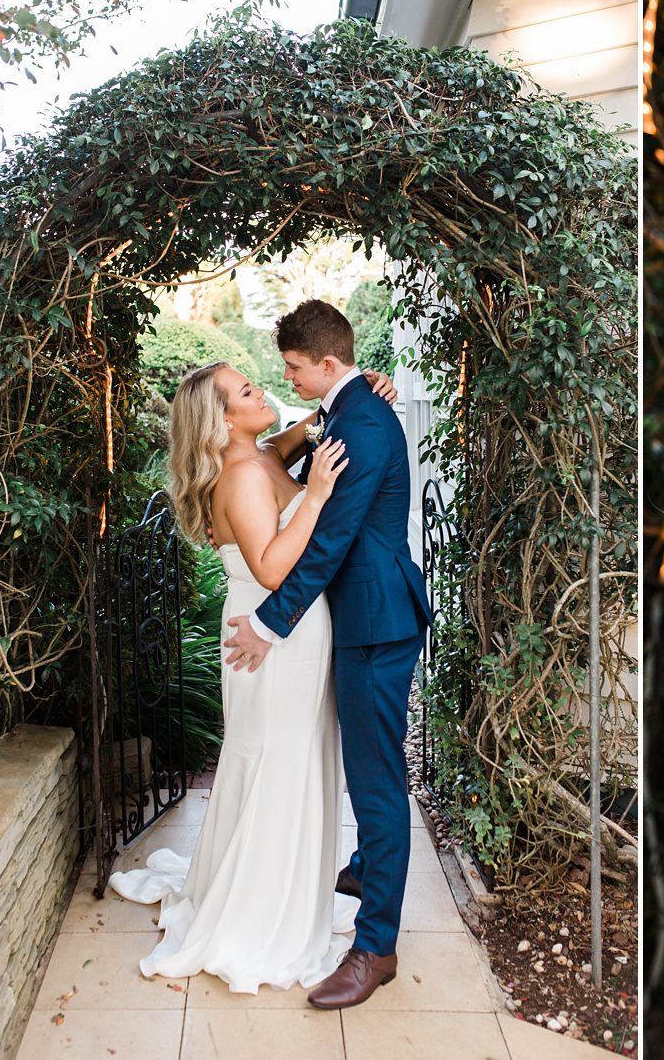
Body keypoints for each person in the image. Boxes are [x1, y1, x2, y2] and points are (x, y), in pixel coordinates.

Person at [108, 355, 394, 992]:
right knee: (275, 761)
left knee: (291, 758)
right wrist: (315, 495)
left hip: (290, 632)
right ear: (220, 422)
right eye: (245, 390)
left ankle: (287, 886)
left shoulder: (262, 452)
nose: (261, 389)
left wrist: (359, 387)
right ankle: (263, 909)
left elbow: (312, 423)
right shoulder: (239, 476)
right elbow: (270, 567)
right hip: (267, 635)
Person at [220, 298, 431, 1010]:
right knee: (372, 768)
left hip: (374, 622)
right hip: (367, 615)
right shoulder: (349, 408)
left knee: (376, 784)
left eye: (294, 368)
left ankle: (376, 949)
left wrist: (268, 623)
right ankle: (369, 865)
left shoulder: (362, 422)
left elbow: (330, 539)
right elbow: (294, 468)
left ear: (329, 362)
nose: (286, 378)